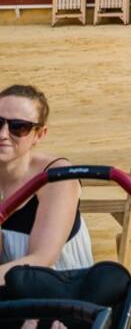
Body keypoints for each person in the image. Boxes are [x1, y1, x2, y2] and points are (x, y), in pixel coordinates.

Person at [0, 85, 94, 281]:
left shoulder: (56, 177)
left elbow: (42, 259)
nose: (3, 134)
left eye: (19, 127)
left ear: (39, 134)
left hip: (58, 294)